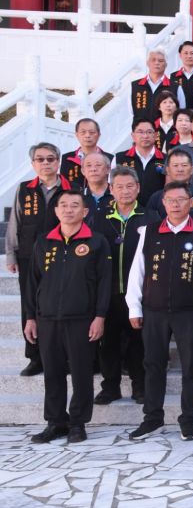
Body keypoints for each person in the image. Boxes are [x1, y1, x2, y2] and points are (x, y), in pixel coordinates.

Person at [125, 180, 193, 441]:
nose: (176, 205)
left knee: (191, 367)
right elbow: (137, 271)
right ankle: (152, 418)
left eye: (181, 200)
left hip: (189, 311)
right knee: (153, 365)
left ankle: (188, 420)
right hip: (153, 310)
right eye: (170, 200)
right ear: (163, 203)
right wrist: (134, 307)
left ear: (191, 203)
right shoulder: (149, 231)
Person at [23, 189, 111, 444]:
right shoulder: (44, 241)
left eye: (74, 205)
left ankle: (77, 423)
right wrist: (30, 317)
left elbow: (104, 283)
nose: (68, 209)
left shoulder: (96, 242)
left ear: (85, 211)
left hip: (82, 319)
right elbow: (32, 282)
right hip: (47, 318)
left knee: (82, 372)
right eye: (63, 205)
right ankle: (55, 422)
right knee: (52, 372)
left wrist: (100, 316)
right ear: (56, 210)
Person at [7, 142, 73, 377]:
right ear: (33, 163)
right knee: (29, 304)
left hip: (63, 255)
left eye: (50, 159)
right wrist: (11, 253)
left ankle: (63, 355)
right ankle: (35, 357)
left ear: (58, 162)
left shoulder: (71, 188)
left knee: (63, 302)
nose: (46, 163)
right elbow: (15, 222)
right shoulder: (24, 189)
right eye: (40, 159)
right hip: (29, 255)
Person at [93, 166, 157, 406]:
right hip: (107, 292)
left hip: (139, 294)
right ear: (111, 189)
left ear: (138, 188)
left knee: (138, 342)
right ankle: (110, 387)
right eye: (119, 186)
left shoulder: (150, 217)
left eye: (130, 186)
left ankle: (139, 387)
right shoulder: (100, 218)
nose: (125, 191)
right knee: (108, 342)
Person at [147, 148, 193, 228]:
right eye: (175, 165)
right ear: (167, 170)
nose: (180, 169)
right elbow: (150, 228)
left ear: (192, 170)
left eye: (184, 165)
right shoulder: (156, 198)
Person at [60, 118, 112, 187]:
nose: (87, 135)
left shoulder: (110, 158)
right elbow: (64, 184)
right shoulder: (67, 158)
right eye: (83, 132)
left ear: (99, 135)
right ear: (77, 135)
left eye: (92, 132)